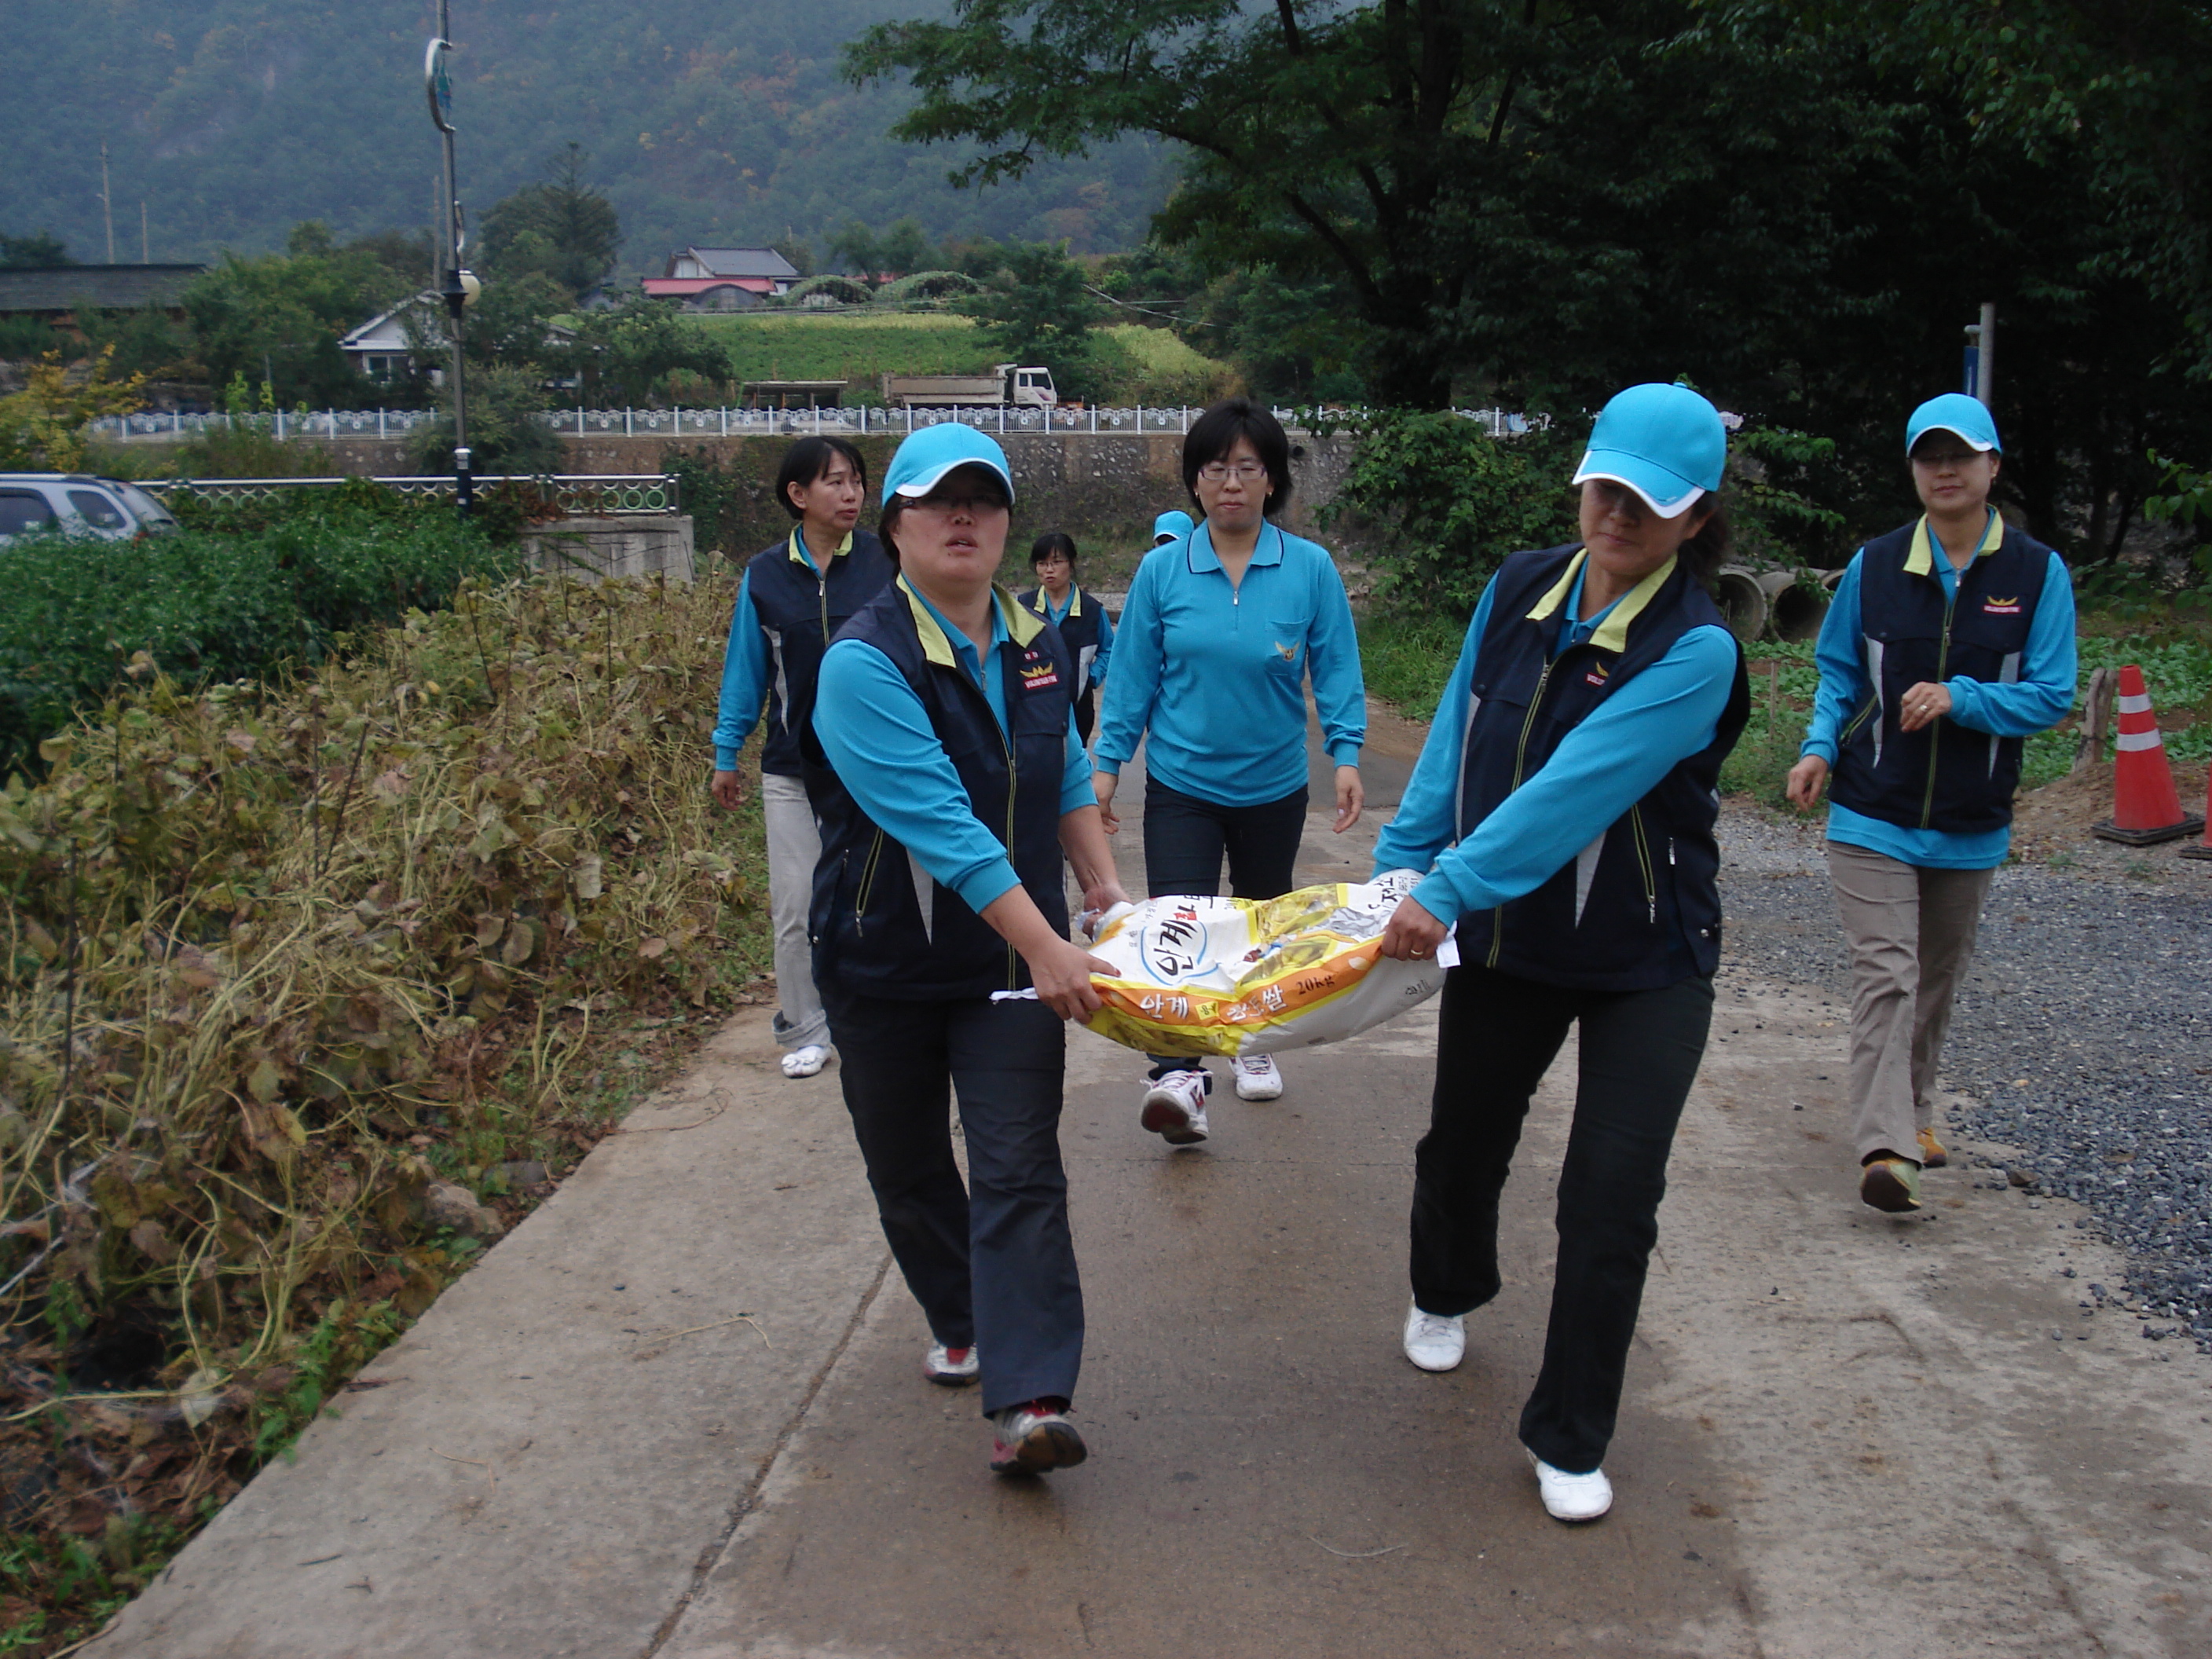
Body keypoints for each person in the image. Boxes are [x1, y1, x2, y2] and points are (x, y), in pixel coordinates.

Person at [1371, 383, 1750, 1524]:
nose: (1618, 516)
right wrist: (1399, 867)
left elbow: (1571, 792)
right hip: (1513, 942)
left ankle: (1571, 1434)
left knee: (1610, 1197)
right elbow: (1456, 736)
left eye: (1650, 503)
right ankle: (1445, 1289)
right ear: (1581, 481)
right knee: (1463, 1147)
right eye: (1605, 489)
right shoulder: (1517, 588)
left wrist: (1445, 889)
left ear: (1695, 517)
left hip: (1648, 956)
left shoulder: (1697, 650)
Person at [808, 423, 1129, 1476]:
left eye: (983, 499)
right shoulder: (863, 663)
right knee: (907, 1169)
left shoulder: (1037, 644)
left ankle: (1031, 1400)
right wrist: (1050, 946)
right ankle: (961, 1314)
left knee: (1018, 1168)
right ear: (894, 526)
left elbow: (1064, 769)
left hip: (1002, 972)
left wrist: (1101, 888)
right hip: (884, 964)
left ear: (1004, 523)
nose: (963, 517)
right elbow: (945, 828)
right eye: (937, 500)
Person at [1785, 393, 2075, 1214]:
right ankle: (1885, 1147)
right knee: (1888, 972)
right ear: (1913, 470)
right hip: (1871, 808)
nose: (1944, 470)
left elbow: (2051, 693)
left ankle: (1911, 1111)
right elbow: (1839, 672)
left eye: (1960, 455)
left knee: (1935, 979)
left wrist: (1961, 697)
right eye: (1928, 456)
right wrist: (1816, 747)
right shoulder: (1875, 565)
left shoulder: (2036, 573)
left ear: (1992, 466)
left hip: (1970, 820)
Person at [1091, 397, 1366, 1141]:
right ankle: (1177, 1077)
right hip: (1181, 783)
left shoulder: (1309, 569)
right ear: (1196, 481)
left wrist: (1346, 753)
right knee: (1175, 930)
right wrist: (1107, 764)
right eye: (1216, 469)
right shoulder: (1162, 570)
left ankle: (1251, 1044)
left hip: (1274, 786)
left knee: (1259, 926)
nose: (1232, 483)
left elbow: (1336, 667)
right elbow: (1134, 676)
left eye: (1248, 468)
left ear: (1272, 479)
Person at [711, 437, 894, 1079]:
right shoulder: (765, 576)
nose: (851, 494)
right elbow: (746, 671)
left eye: (856, 481)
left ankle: (879, 1013)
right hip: (792, 770)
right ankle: (807, 1027)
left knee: (877, 897)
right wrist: (726, 751)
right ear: (798, 495)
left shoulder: (885, 562)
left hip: (873, 767)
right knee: (794, 907)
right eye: (835, 482)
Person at [1017, 532, 1115, 745]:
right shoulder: (1023, 607)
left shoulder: (1091, 610)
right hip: (1033, 712)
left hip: (1078, 711)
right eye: (1042, 563)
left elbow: (1110, 649)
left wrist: (1091, 678)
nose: (1049, 570)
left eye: (1056, 562)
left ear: (1071, 564)